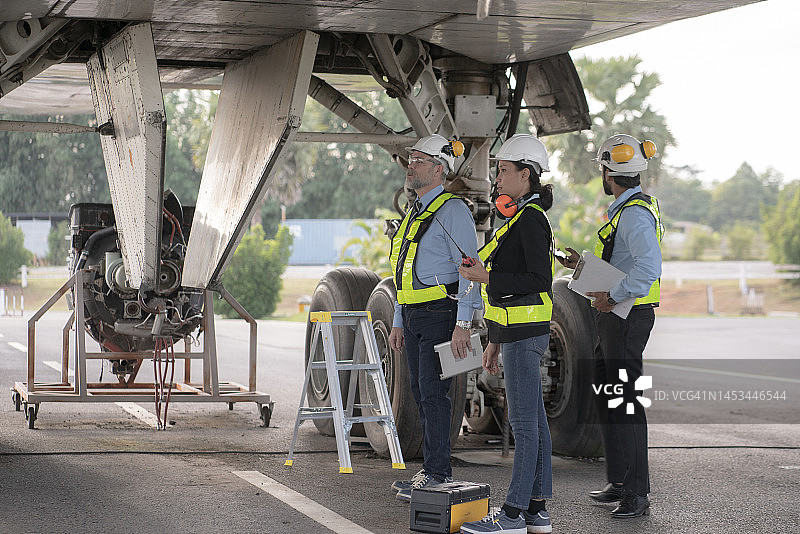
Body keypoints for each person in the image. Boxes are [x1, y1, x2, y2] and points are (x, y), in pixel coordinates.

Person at [558, 133, 663, 519]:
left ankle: (637, 494)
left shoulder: (634, 213)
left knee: (628, 403)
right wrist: (579, 268)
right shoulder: (626, 209)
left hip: (626, 318)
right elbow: (623, 265)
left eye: (602, 170)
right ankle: (619, 481)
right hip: (614, 317)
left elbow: (648, 269)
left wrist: (614, 296)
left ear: (608, 172)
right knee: (610, 398)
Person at [457, 134, 555, 534]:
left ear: (525, 175)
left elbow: (538, 279)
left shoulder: (531, 220)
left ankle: (512, 514)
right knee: (536, 423)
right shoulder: (518, 217)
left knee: (525, 424)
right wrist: (494, 339)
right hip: (514, 333)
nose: (496, 177)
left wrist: (486, 276)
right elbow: (512, 290)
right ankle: (535, 510)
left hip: (524, 334)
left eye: (503, 170)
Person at [388, 134, 482, 502]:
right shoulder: (416, 211)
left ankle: (438, 473)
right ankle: (431, 470)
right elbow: (402, 268)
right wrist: (398, 317)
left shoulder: (453, 210)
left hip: (439, 314)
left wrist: (463, 324)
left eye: (418, 160)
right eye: (411, 159)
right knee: (419, 392)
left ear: (439, 169)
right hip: (413, 315)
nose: (410, 165)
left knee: (433, 394)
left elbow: (469, 270)